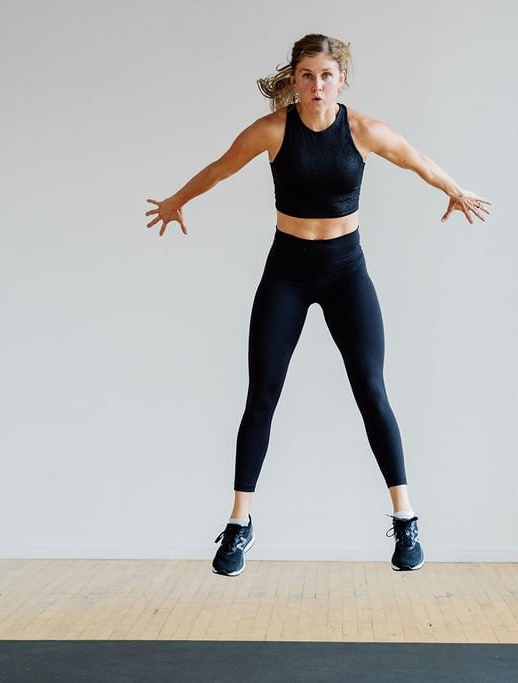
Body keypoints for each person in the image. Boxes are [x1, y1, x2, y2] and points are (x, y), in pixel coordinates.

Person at [145, 34, 490, 577]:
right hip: (287, 270)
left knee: (371, 390)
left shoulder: (363, 131)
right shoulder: (273, 129)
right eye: (306, 75)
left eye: (325, 75)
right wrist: (177, 201)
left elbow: (416, 160)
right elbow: (220, 167)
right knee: (261, 395)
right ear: (294, 80)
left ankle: (406, 519)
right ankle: (239, 525)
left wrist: (454, 189)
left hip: (345, 271)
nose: (316, 85)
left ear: (341, 79)